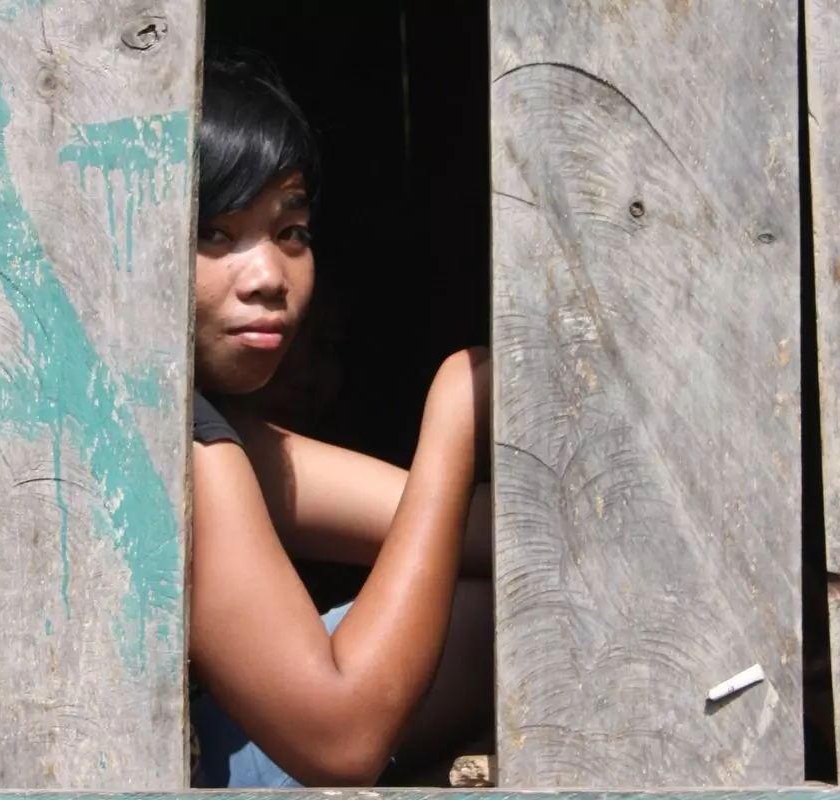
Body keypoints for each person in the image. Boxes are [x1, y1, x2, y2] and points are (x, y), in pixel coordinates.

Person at [189, 50, 494, 789]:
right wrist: (456, 411)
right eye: (216, 234)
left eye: (290, 231)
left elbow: (477, 532)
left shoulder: (212, 431)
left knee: (513, 603)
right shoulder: (179, 449)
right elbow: (341, 741)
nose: (269, 277)